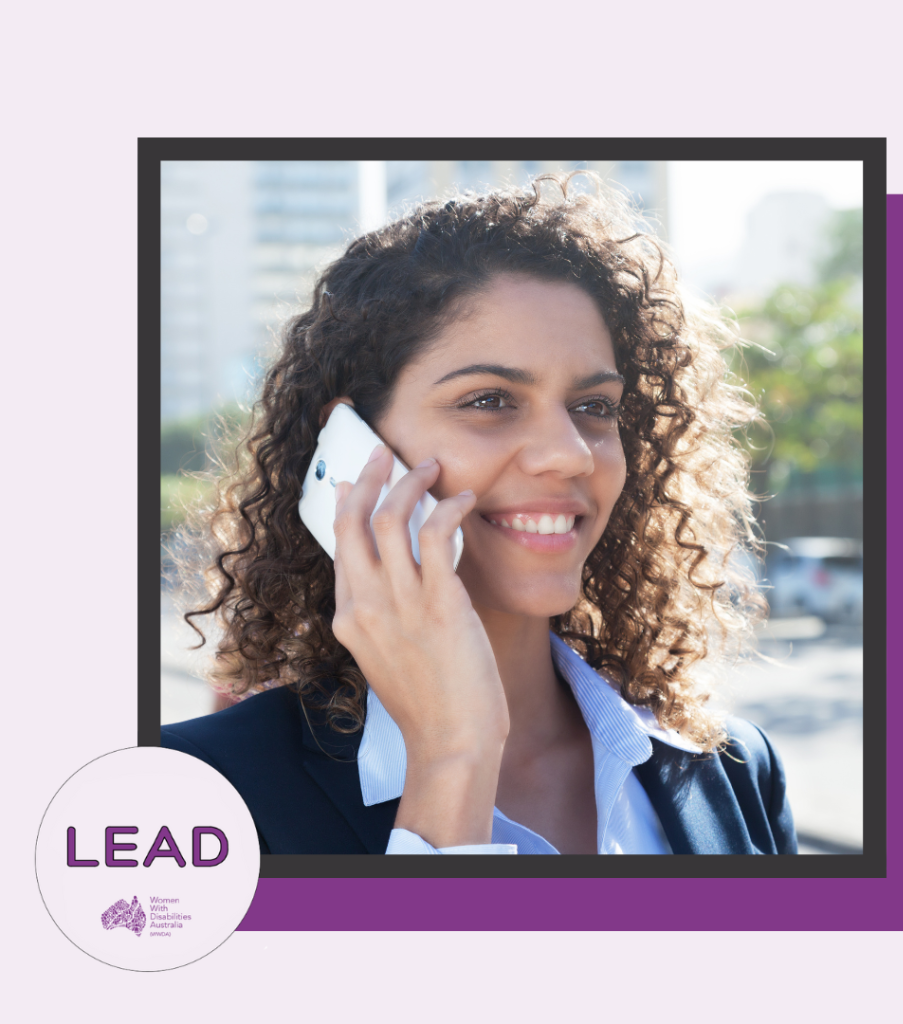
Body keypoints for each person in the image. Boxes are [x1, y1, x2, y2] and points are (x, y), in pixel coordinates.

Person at [162, 172, 798, 855]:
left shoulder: (739, 773)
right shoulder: (197, 798)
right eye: (489, 401)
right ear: (351, 448)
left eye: (594, 407)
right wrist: (450, 759)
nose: (570, 455)